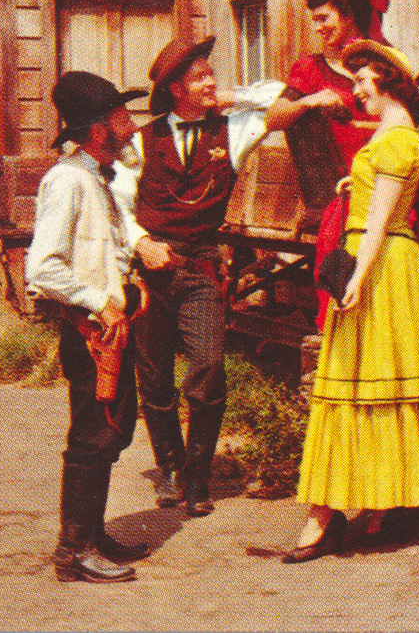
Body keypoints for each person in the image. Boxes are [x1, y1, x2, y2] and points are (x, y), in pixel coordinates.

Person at [285, 39, 419, 563]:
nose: (356, 91)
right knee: (351, 386)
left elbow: (384, 219)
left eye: (364, 83)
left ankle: (352, 510)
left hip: (382, 265)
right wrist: (352, 182)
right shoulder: (386, 137)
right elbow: (378, 197)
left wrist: (357, 277)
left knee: (367, 383)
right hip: (373, 255)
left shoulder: (400, 138)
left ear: (387, 84)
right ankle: (351, 508)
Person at [114, 36, 281, 517]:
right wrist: (142, 244)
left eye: (211, 73)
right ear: (173, 89)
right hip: (148, 272)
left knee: (207, 369)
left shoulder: (234, 129)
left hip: (202, 267)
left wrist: (230, 96)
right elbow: (119, 206)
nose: (211, 82)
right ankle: (169, 468)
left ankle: (198, 475)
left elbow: (280, 97)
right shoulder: (140, 143)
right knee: (154, 377)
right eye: (199, 77)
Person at [26, 71, 150, 583]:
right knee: (94, 434)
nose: (131, 127)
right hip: (90, 335)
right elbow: (43, 268)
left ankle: (92, 535)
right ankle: (74, 551)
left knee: (114, 426)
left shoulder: (98, 176)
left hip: (110, 331)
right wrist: (100, 300)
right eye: (123, 119)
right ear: (99, 129)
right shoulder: (66, 180)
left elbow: (105, 247)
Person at [265, 0, 388, 170]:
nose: (317, 28)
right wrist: (309, 100)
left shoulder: (382, 64)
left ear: (349, 15)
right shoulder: (310, 68)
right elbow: (273, 119)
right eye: (315, 21)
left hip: (383, 170)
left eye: (323, 18)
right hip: (338, 181)